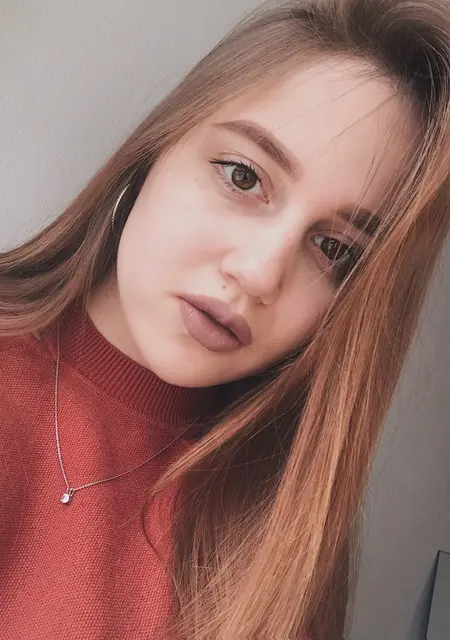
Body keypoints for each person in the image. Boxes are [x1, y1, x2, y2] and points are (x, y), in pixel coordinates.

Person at [1, 0, 450, 638]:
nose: (260, 273)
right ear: (154, 151)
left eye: (334, 248)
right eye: (243, 176)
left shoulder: (281, 542)